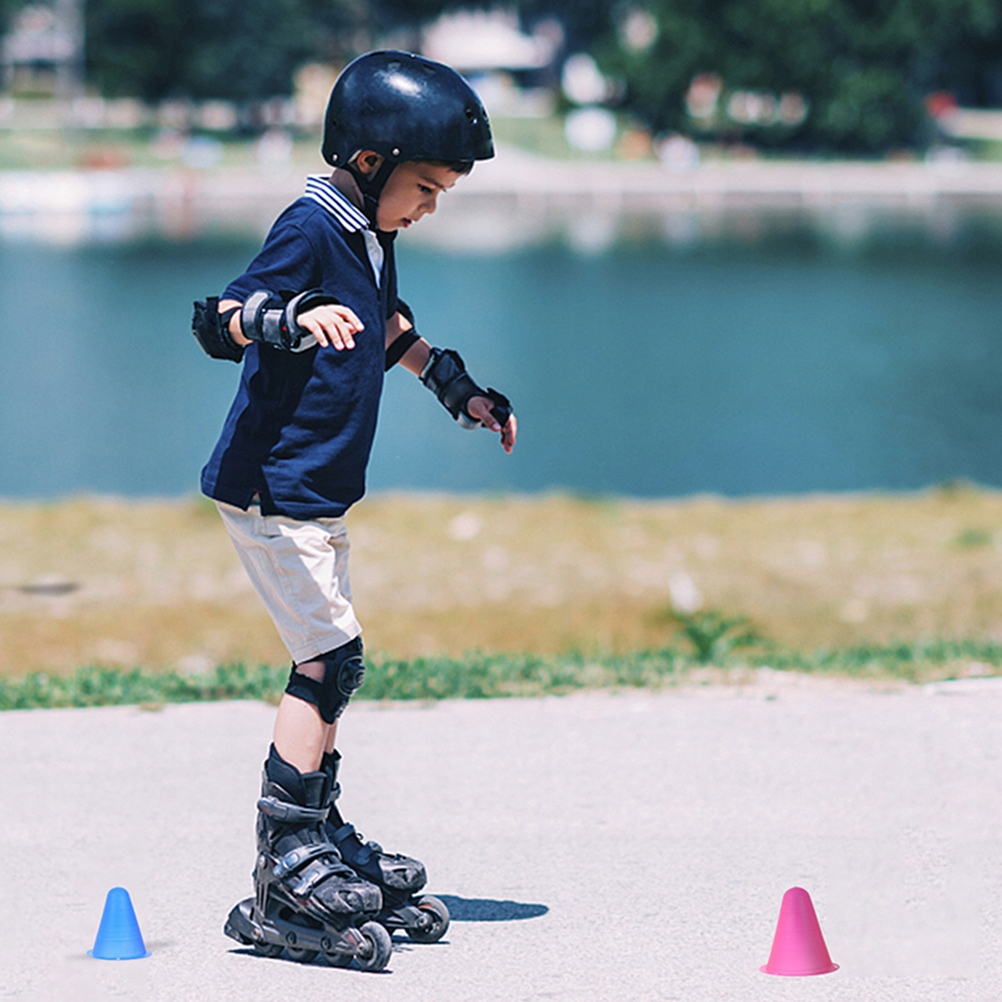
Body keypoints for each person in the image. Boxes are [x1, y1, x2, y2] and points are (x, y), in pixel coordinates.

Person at [191, 50, 517, 969]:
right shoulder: (312, 226)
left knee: (334, 661)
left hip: (316, 497)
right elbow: (220, 318)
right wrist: (290, 318)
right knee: (328, 661)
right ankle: (285, 858)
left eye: (443, 191)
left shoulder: (370, 239)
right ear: (370, 163)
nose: (430, 206)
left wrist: (459, 391)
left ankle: (316, 833)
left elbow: (391, 331)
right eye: (425, 186)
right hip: (270, 488)